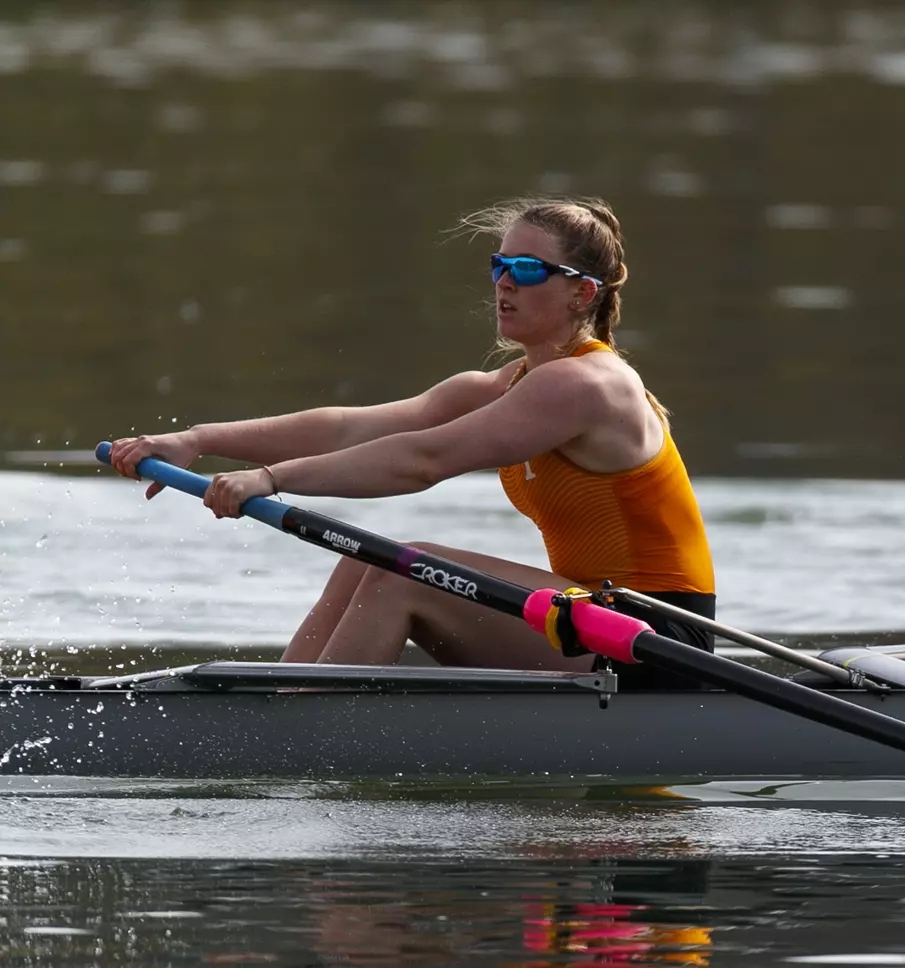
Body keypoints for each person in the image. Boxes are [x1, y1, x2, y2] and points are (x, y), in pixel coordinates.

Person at [109, 196, 716, 689]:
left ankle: (300, 732)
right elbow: (351, 426)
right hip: (586, 618)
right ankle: (286, 703)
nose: (505, 282)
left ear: (582, 293)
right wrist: (196, 438)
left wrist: (272, 479)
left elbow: (423, 461)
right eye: (499, 266)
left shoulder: (584, 385)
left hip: (655, 639)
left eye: (528, 271)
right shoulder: (511, 383)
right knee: (366, 561)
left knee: (403, 570)